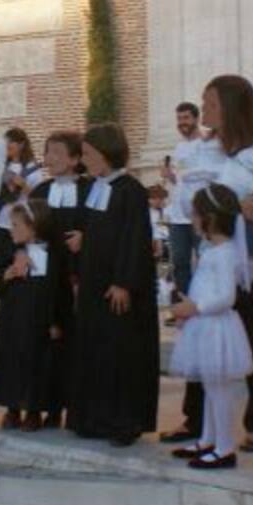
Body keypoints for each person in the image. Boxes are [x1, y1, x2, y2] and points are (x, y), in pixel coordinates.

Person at [163, 75, 253, 453]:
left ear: (230, 106)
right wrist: (235, 206)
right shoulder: (203, 150)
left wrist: (243, 205)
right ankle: (197, 422)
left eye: (210, 101)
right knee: (204, 340)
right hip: (213, 261)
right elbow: (188, 202)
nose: (204, 109)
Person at [68, 122, 159, 447]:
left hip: (118, 289)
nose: (84, 160)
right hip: (95, 287)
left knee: (122, 356)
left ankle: (124, 421)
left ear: (106, 155)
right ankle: (94, 418)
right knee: (97, 352)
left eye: (89, 154)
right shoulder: (98, 187)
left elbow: (134, 238)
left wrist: (123, 282)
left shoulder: (130, 190)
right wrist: (84, 238)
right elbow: (101, 230)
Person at [167, 183, 253, 470]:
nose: (192, 220)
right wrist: (190, 306)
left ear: (211, 218)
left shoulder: (225, 252)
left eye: (195, 214)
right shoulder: (211, 250)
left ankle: (225, 446)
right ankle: (208, 438)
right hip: (204, 327)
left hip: (217, 327)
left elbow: (227, 297)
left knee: (219, 390)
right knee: (209, 387)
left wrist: (197, 307)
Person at [27, 131, 90, 430]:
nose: (49, 158)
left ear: (76, 158)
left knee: (73, 347)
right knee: (42, 343)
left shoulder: (91, 189)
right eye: (47, 151)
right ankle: (38, 406)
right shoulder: (39, 190)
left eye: (56, 152)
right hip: (45, 281)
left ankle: (70, 408)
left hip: (78, 279)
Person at [0, 200, 68, 430]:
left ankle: (34, 410)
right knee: (12, 362)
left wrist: (56, 321)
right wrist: (10, 273)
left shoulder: (53, 256)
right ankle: (12, 408)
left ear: (33, 227)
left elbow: (60, 291)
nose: (11, 230)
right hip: (14, 320)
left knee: (37, 364)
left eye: (16, 225)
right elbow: (1, 280)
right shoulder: (14, 253)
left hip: (39, 322)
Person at [161, 102, 209, 300]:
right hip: (178, 216)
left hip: (201, 214)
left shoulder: (207, 144)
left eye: (186, 118)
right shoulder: (178, 147)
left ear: (196, 119)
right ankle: (184, 300)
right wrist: (170, 176)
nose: (182, 123)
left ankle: (204, 301)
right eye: (179, 119)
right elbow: (179, 180)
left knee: (204, 259)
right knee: (179, 261)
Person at [0, 127, 43, 279]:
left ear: (21, 144)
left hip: (20, 226)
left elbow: (38, 199)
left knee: (22, 267)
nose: (7, 145)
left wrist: (23, 185)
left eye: (11, 142)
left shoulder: (32, 168)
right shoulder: (0, 166)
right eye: (5, 142)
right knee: (3, 266)